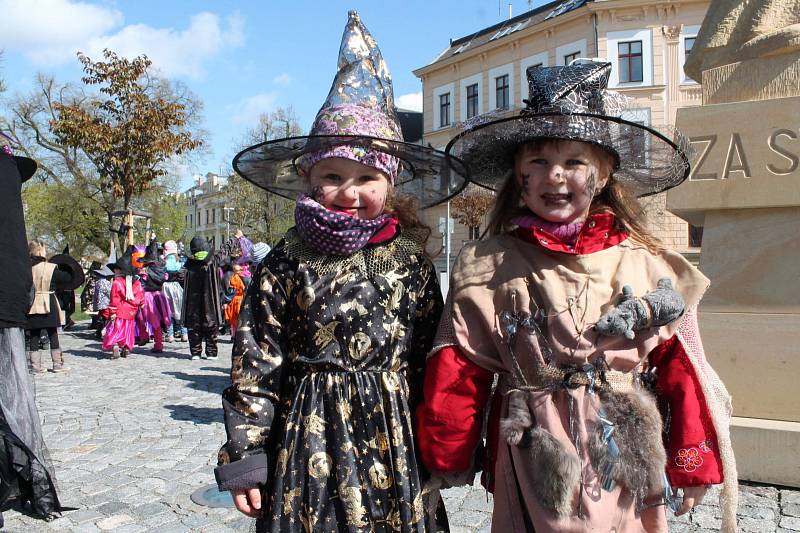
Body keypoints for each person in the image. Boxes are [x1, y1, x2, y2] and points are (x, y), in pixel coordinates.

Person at [416, 61, 739, 532]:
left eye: (574, 162)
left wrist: (693, 461)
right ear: (518, 174)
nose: (556, 176)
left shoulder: (646, 262)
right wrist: (446, 451)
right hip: (533, 449)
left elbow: (682, 366)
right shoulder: (488, 264)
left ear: (604, 175)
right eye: (539, 162)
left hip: (622, 446)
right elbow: (459, 366)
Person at [214, 11, 465, 532]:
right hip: (307, 436)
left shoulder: (411, 262)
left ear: (390, 183)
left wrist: (439, 445)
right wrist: (246, 460)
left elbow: (429, 358)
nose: (349, 192)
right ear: (310, 180)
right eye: (333, 176)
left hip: (392, 435)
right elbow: (256, 361)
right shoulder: (286, 260)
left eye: (366, 177)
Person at [0, 142, 64, 525]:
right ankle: (28, 487)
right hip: (10, 293)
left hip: (10, 292)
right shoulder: (9, 175)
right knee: (10, 396)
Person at [25, 241, 84, 373]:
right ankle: (57, 364)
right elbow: (66, 278)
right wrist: (69, 266)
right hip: (48, 302)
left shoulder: (27, 268)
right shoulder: (50, 268)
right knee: (53, 334)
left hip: (33, 303)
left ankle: (35, 366)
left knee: (34, 335)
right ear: (40, 251)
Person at [181, 235, 236, 361]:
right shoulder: (213, 260)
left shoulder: (189, 263)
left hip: (193, 302)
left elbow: (179, 275)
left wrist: (188, 286)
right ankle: (211, 353)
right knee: (211, 327)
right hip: (210, 301)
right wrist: (235, 239)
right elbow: (224, 251)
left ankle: (195, 353)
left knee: (194, 327)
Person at [102, 248, 144, 359]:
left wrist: (112, 311)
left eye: (116, 268)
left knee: (115, 330)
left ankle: (115, 345)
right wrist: (140, 304)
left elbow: (114, 299)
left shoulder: (117, 283)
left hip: (119, 311)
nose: (114, 270)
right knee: (127, 331)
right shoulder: (136, 283)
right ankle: (126, 347)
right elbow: (140, 295)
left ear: (120, 270)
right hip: (131, 312)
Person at [139, 239, 172, 354]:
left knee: (141, 318)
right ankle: (158, 343)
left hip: (147, 297)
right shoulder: (161, 270)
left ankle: (146, 338)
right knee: (156, 322)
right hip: (159, 295)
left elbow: (141, 285)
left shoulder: (146, 271)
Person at [162, 240, 187, 343]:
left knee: (168, 311)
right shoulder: (180, 262)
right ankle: (184, 334)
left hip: (166, 287)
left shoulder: (164, 262)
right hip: (178, 287)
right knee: (180, 310)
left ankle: (170, 334)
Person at [91, 264, 114, 339]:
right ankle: (105, 332)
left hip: (99, 304)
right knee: (106, 319)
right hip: (106, 303)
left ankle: (99, 332)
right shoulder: (106, 283)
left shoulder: (98, 282)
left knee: (101, 318)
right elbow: (110, 292)